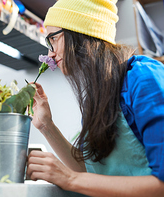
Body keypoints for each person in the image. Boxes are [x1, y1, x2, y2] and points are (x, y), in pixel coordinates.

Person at [26, 0, 164, 196]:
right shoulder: (99, 95)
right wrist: (46, 125)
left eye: (53, 39)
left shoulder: (144, 78)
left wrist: (69, 179)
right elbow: (88, 172)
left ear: (79, 32)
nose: (50, 54)